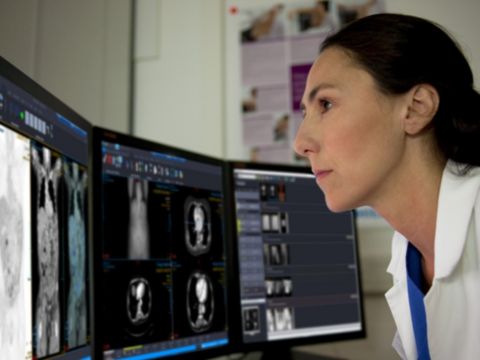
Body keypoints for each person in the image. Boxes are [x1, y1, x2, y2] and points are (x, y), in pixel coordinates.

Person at [294, 13, 480, 360]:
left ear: (416, 108)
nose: (300, 142)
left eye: (326, 104)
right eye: (306, 113)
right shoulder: (408, 253)